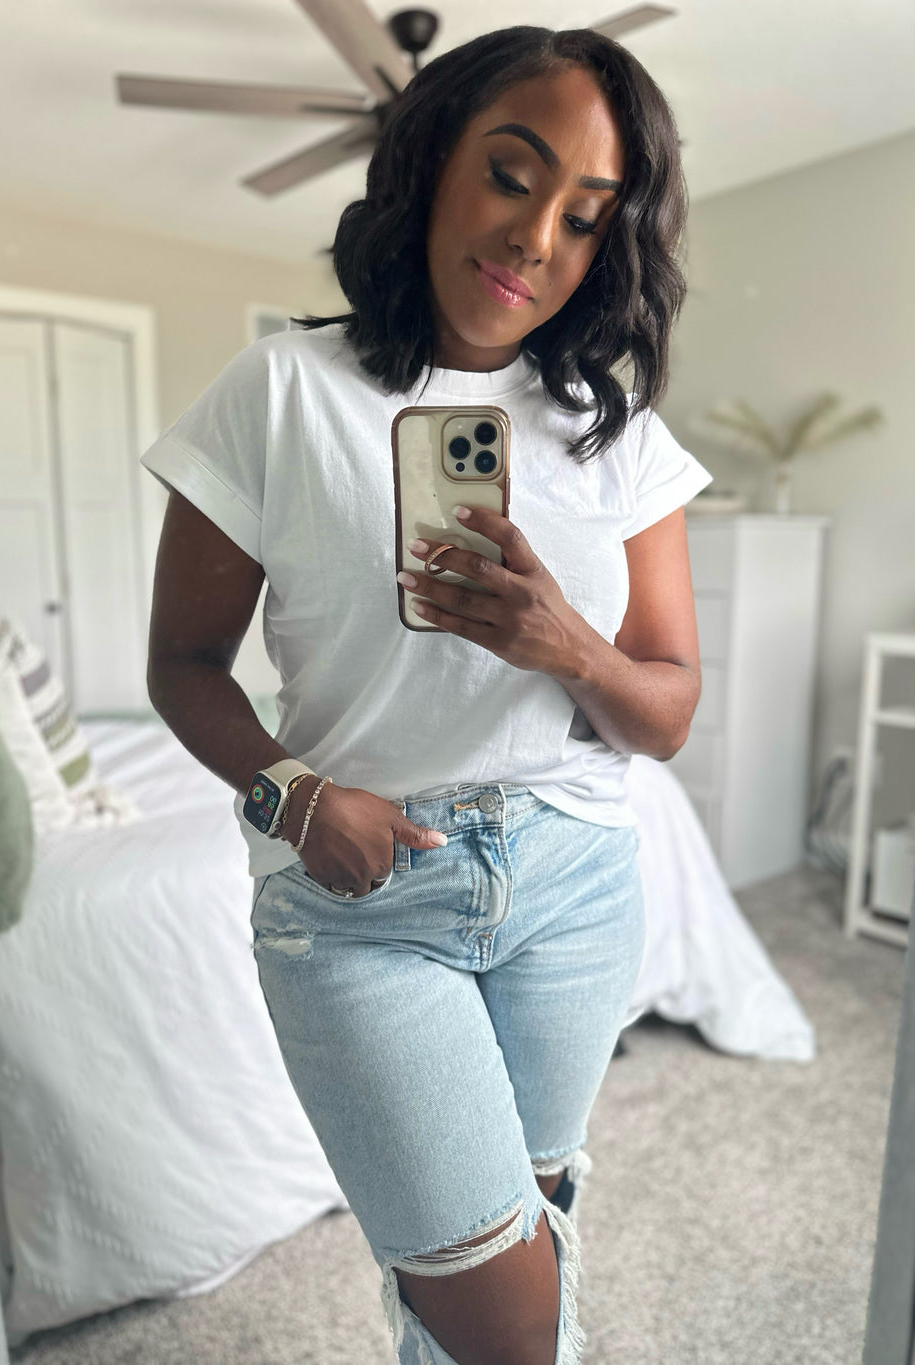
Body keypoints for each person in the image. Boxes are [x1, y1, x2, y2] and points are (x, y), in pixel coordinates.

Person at [142, 24, 711, 1365]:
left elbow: (669, 712)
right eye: (512, 176)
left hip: (576, 886)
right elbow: (182, 665)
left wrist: (567, 645)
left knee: (506, 1261)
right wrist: (296, 798)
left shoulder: (616, 433)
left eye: (586, 216)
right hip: (360, 903)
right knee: (508, 1321)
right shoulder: (279, 390)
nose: (535, 238)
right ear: (433, 160)